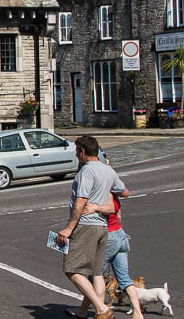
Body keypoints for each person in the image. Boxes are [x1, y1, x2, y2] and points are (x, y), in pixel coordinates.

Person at [56, 135, 126, 319]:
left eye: (77, 151)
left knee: (72, 269)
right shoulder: (108, 170)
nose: (76, 154)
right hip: (103, 227)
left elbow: (81, 200)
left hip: (86, 226)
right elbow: (124, 191)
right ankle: (91, 312)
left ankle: (101, 309)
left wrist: (69, 228)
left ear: (83, 151)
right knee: (97, 273)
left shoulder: (86, 171)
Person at [67, 191, 143, 319]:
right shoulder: (116, 196)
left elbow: (106, 212)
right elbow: (118, 215)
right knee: (124, 279)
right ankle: (137, 313)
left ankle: (98, 312)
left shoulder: (105, 195)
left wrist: (95, 208)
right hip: (120, 234)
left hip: (109, 236)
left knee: (96, 276)